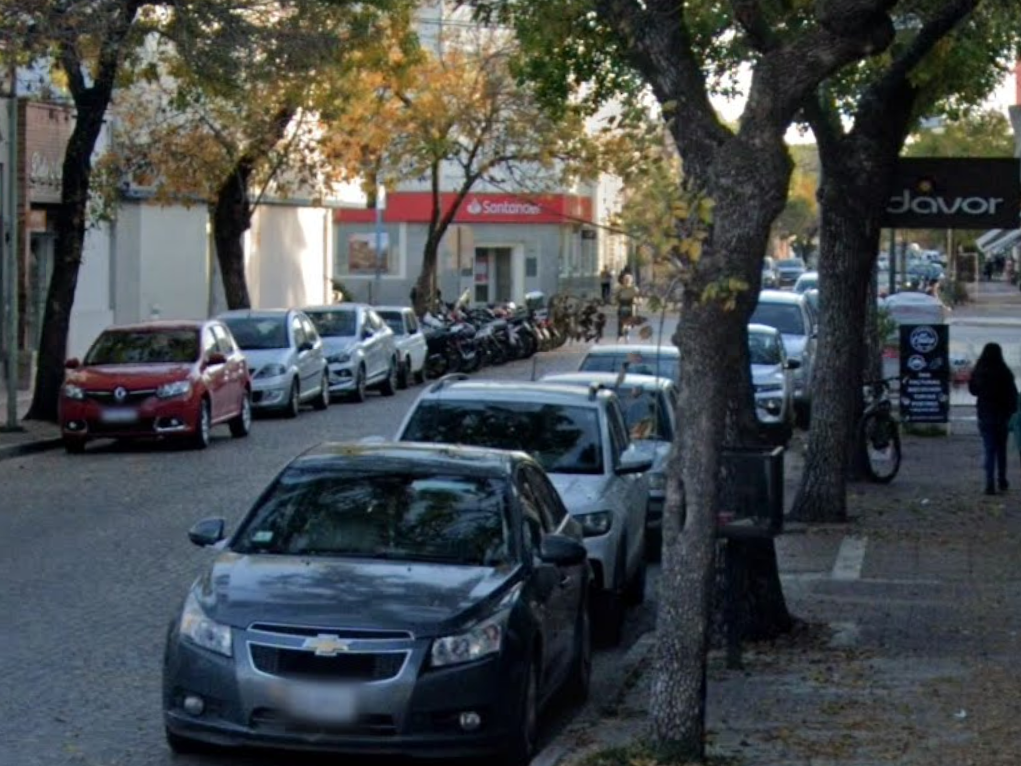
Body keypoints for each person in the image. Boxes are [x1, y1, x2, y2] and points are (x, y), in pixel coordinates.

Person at [968, 342, 1018, 495]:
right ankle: (1002, 480)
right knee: (1001, 450)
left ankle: (989, 483)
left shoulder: (980, 371)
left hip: (985, 414)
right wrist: (1011, 411)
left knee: (989, 449)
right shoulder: (1005, 372)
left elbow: (973, 391)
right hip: (1002, 415)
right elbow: (1013, 395)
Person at [615, 274, 638, 342]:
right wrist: (616, 302)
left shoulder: (634, 288)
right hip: (622, 305)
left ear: (631, 281)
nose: (627, 281)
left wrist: (636, 301)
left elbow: (638, 297)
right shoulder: (620, 288)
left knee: (629, 322)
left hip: (631, 306)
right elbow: (616, 297)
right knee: (621, 321)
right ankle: (620, 335)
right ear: (623, 281)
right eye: (625, 280)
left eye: (628, 280)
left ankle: (627, 334)